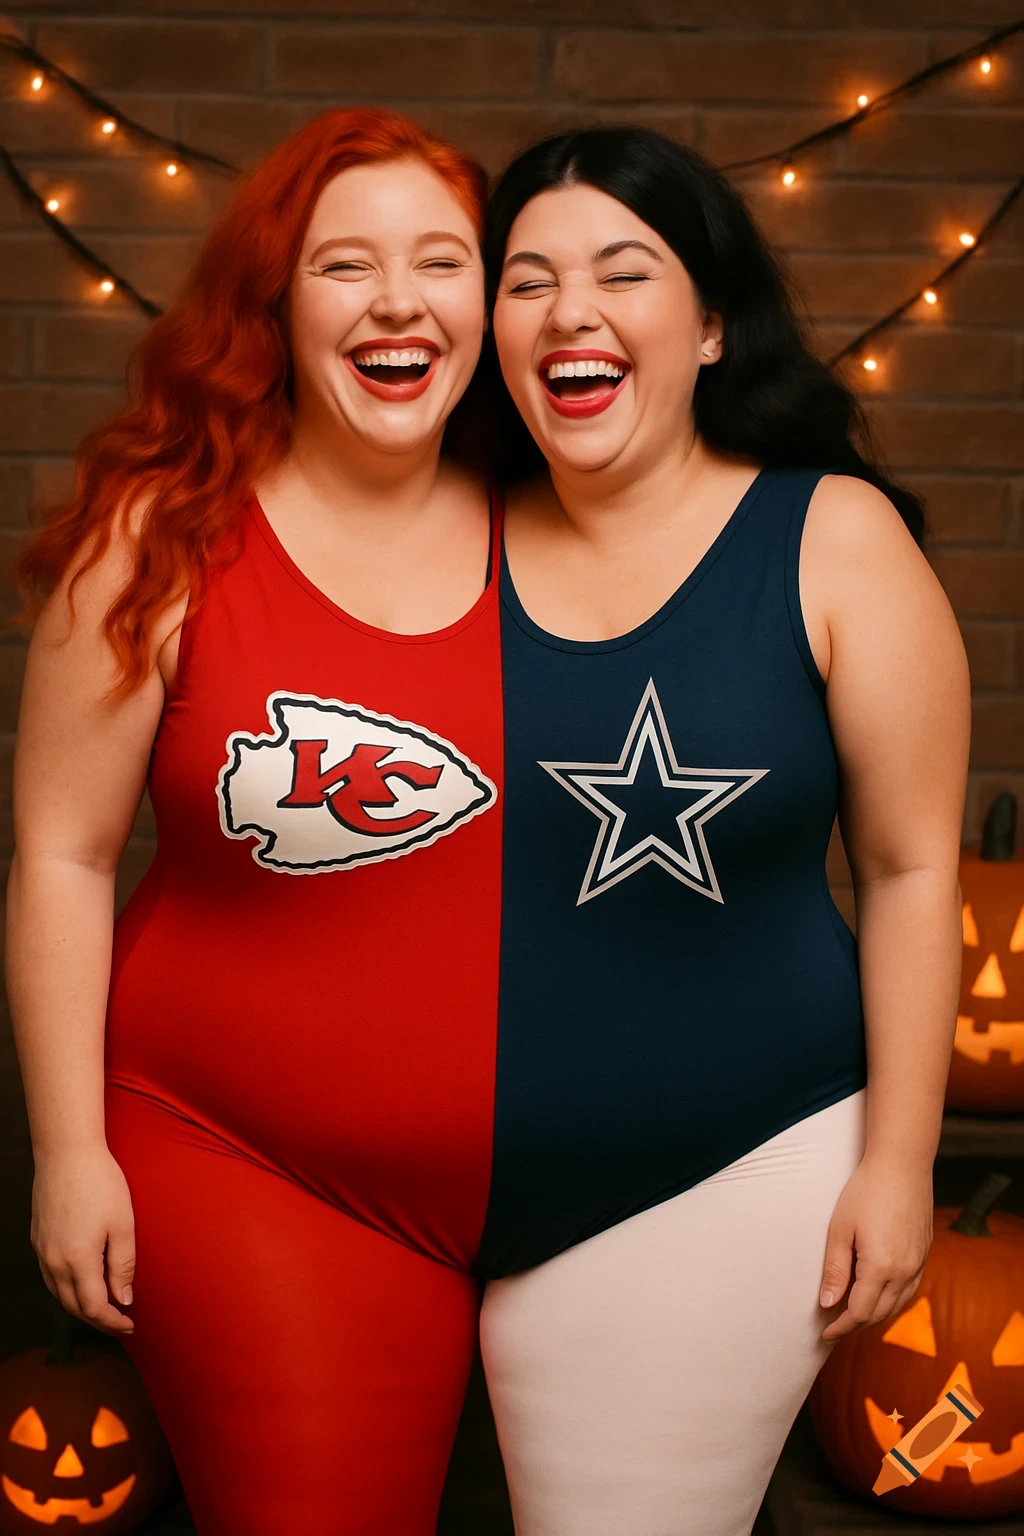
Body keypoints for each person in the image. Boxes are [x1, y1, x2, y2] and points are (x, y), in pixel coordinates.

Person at [468, 125, 970, 1535]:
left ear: (711, 326)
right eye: (526, 280)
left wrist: (900, 1162)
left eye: (625, 273)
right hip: (415, 1187)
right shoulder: (439, 538)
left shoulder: (833, 538)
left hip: (725, 1171)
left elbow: (915, 866)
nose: (572, 312)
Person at [8, 107, 496, 1535]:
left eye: (442, 261)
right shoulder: (159, 535)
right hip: (244, 1161)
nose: (398, 299)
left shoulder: (569, 520)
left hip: (561, 1172)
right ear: (274, 300)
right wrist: (67, 1152)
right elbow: (60, 854)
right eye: (346, 265)